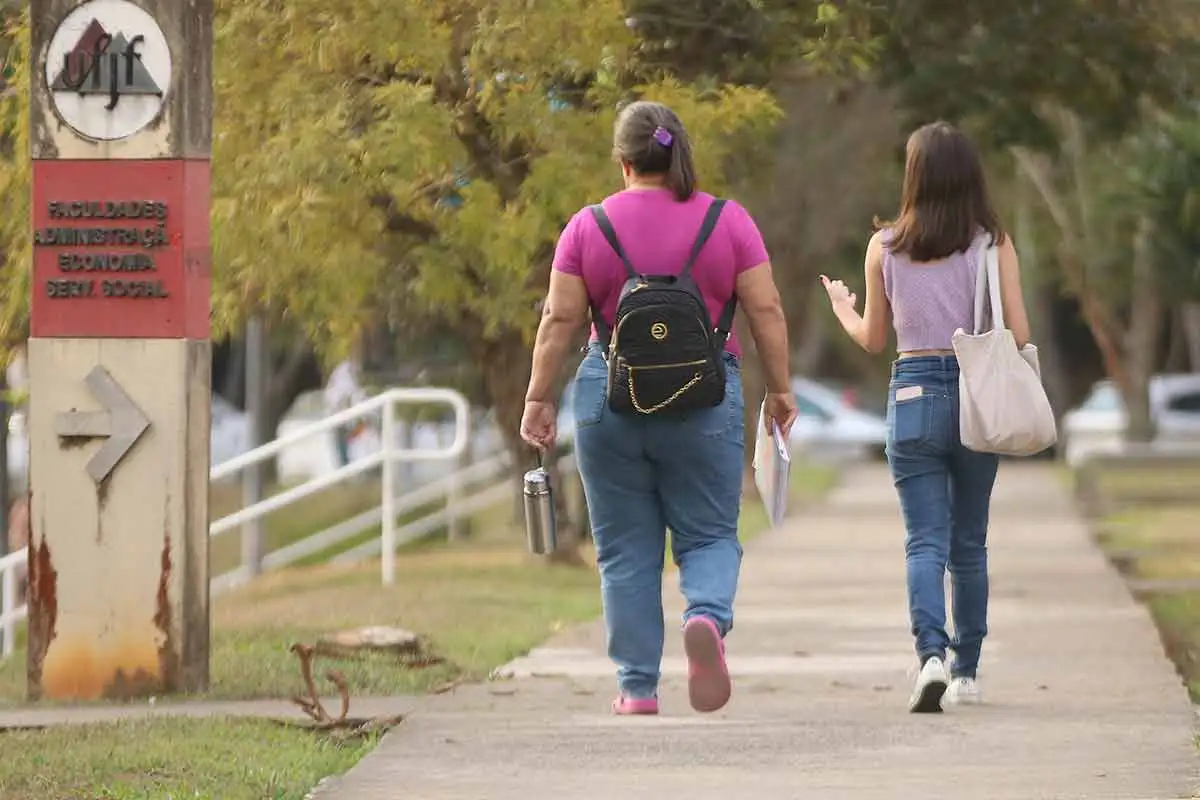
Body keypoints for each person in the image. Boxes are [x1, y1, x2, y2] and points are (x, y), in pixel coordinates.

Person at [520, 101, 796, 716]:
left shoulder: (587, 226)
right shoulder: (728, 221)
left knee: (624, 548)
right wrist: (780, 389)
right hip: (705, 400)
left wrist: (539, 395)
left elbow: (560, 317)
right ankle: (705, 616)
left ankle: (637, 687)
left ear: (623, 163)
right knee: (708, 536)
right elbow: (767, 310)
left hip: (607, 397)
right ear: (679, 154)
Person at [820, 121, 1031, 713]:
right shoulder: (993, 243)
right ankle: (966, 670)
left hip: (911, 393)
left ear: (912, 176)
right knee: (969, 544)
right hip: (976, 395)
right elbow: (1021, 332)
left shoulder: (884, 247)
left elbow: (872, 338)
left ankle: (929, 657)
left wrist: (842, 307)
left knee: (924, 543)